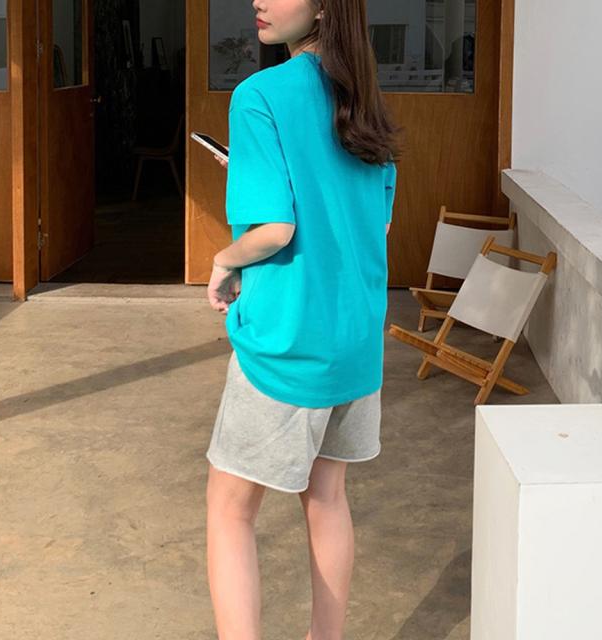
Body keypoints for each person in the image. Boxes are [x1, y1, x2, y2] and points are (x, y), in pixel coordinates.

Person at [205, 0, 402, 638]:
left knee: (230, 511)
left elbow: (275, 230)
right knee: (327, 498)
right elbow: (371, 222)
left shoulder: (260, 94)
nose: (259, 1)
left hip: (287, 344)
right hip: (355, 342)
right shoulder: (364, 101)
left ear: (324, 6)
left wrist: (224, 260)